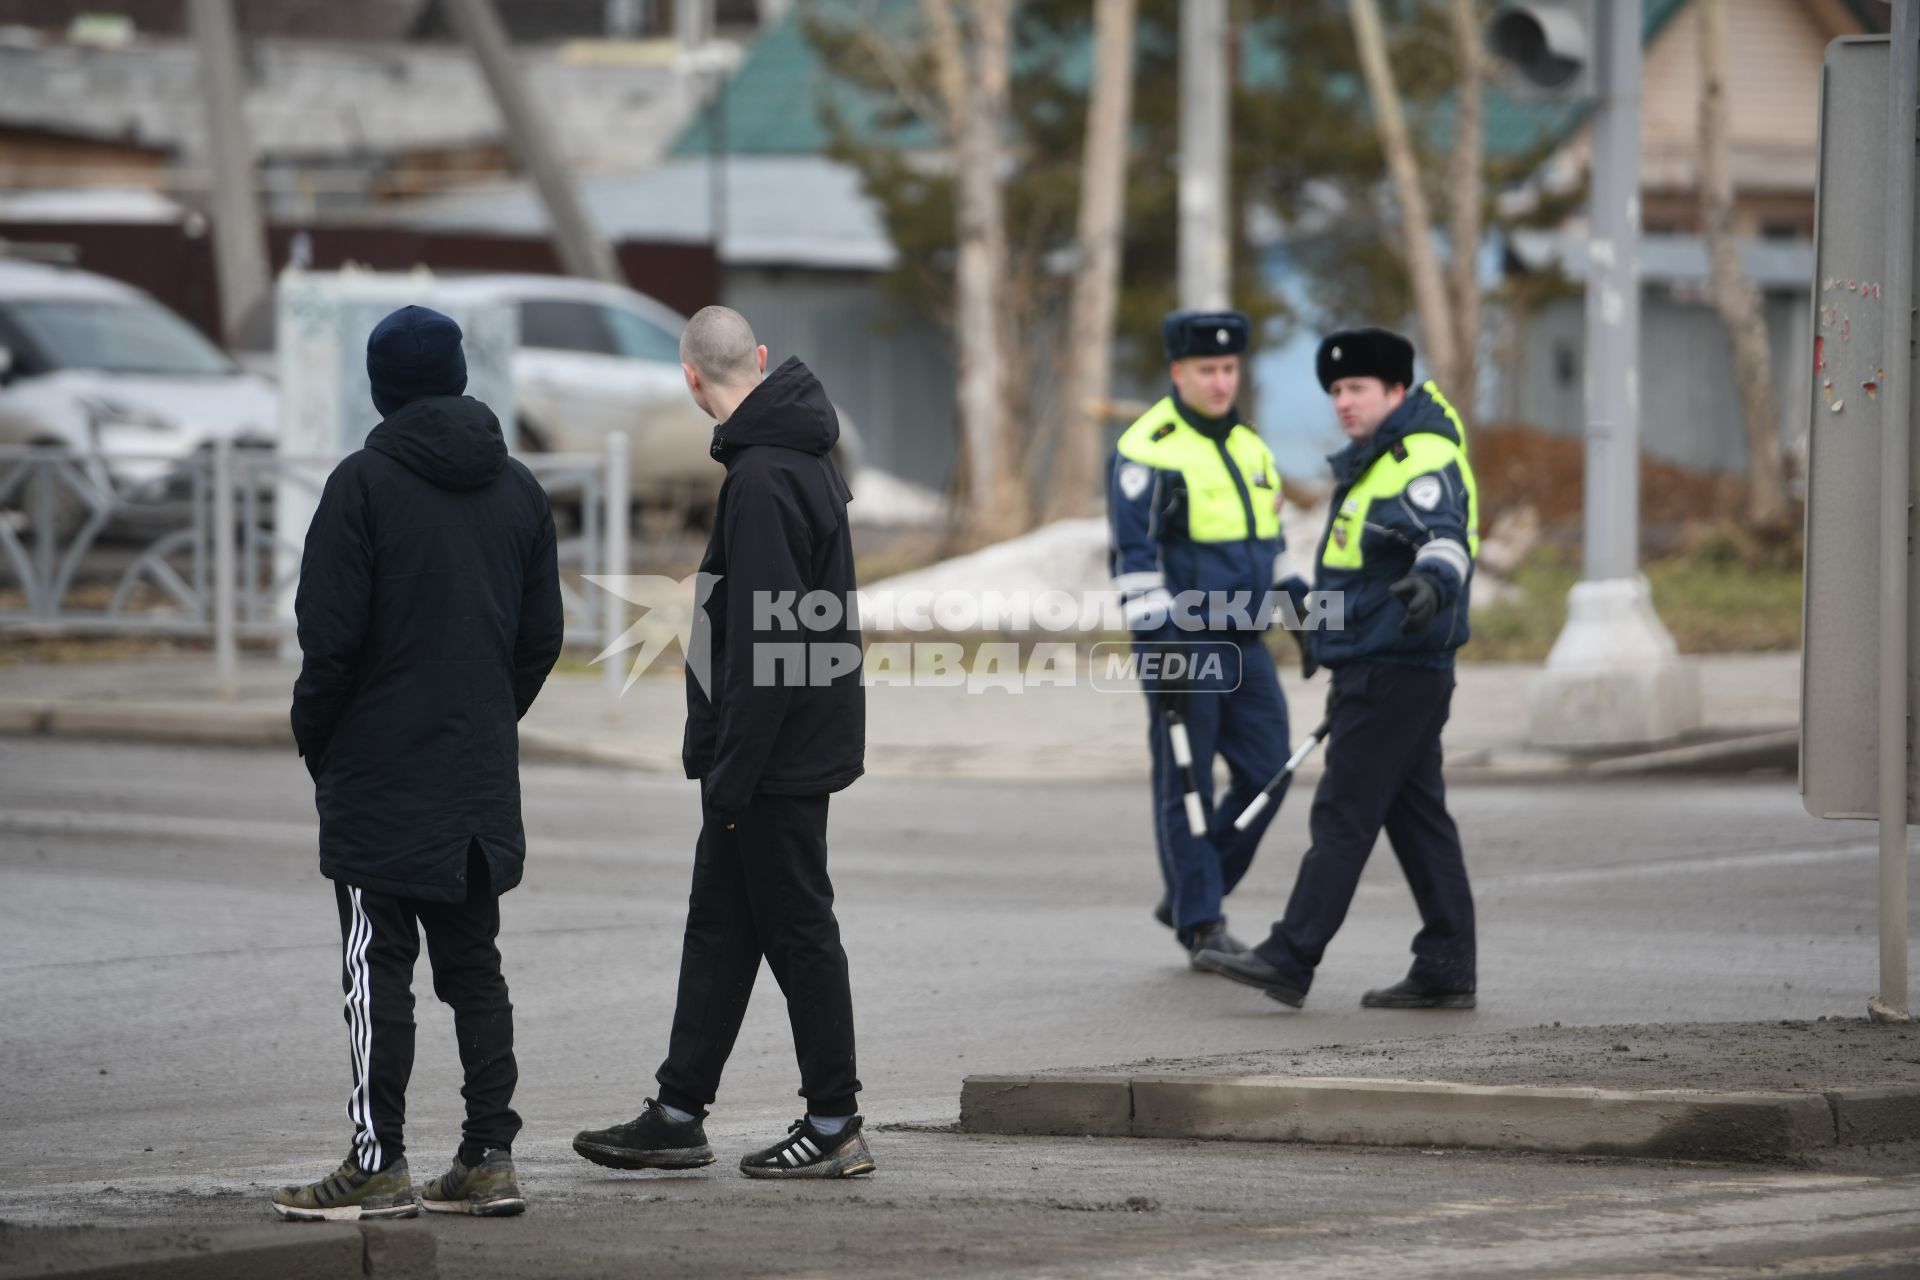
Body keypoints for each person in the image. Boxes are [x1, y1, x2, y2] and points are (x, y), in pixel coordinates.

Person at [275, 305, 564, 1221]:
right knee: (474, 967)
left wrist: (322, 744)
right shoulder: (518, 489)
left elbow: (329, 644)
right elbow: (540, 639)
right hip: (475, 780)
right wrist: (485, 719)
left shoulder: (360, 485)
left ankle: (377, 1162)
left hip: (379, 776)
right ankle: (489, 1158)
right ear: (461, 377)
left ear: (379, 387)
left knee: (377, 969)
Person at [572, 306, 873, 1180]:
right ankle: (677, 1111)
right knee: (721, 933)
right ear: (760, 360)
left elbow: (770, 644)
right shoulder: (795, 456)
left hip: (771, 761)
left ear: (691, 378)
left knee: (798, 933)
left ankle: (834, 1121)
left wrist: (734, 771)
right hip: (773, 752)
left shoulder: (765, 476)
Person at [1197, 327, 1480, 1010]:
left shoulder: (1419, 457)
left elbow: (1443, 540)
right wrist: (1317, 634)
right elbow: (1358, 575)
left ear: (1396, 390)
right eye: (1336, 391)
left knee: (1343, 814)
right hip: (1381, 663)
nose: (1344, 403)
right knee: (1417, 820)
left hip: (1396, 666)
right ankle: (1446, 963)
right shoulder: (1374, 460)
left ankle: (1291, 956)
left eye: (1357, 389)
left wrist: (1432, 585)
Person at [1107, 309, 1310, 968]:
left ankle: (1195, 883)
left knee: (1269, 772)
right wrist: (1160, 642)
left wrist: (1303, 619)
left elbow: (1273, 545)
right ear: (1178, 372)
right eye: (1207, 370)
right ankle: (1201, 922)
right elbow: (1134, 561)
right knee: (1186, 785)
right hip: (1184, 641)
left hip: (1246, 642)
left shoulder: (1252, 446)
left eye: (1229, 369)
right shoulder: (1147, 448)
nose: (1222, 382)